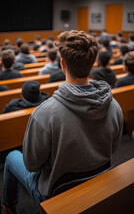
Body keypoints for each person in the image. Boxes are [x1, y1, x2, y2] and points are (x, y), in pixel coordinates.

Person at [1, 30, 123, 214]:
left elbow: (31, 165)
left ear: (63, 63)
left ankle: (8, 207)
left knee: (11, 158)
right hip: (99, 179)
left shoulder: (45, 112)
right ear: (92, 63)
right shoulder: (114, 105)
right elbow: (113, 149)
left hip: (56, 192)